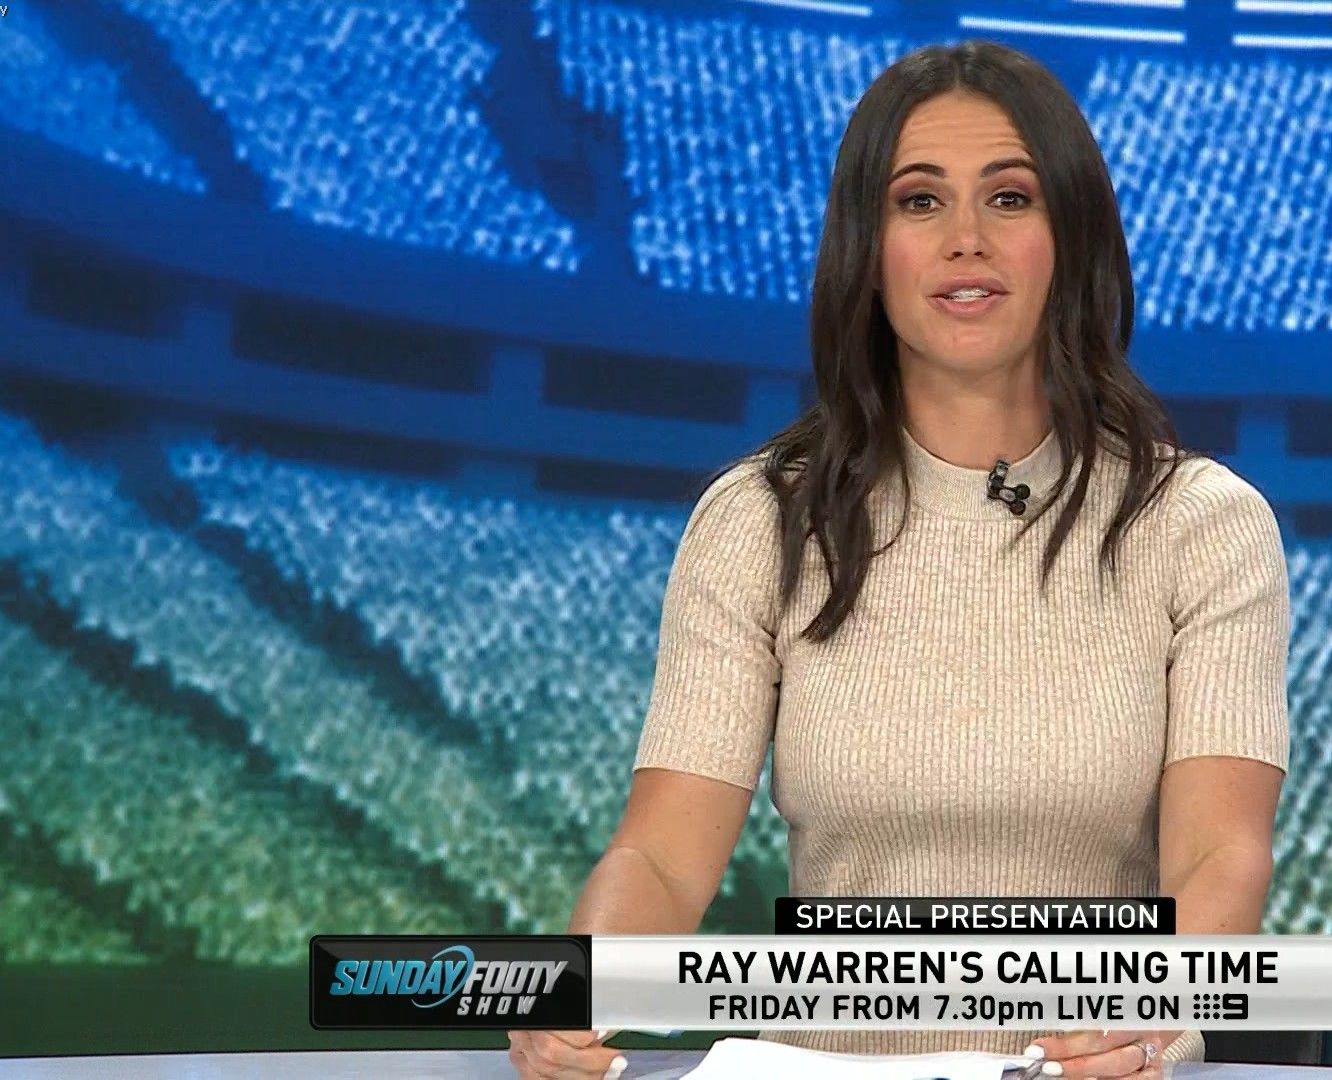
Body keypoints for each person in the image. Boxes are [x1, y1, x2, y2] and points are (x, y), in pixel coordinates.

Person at [510, 38, 1288, 1080]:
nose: (966, 240)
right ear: (866, 250)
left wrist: (1144, 1027)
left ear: (1072, 238)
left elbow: (1218, 854)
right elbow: (659, 855)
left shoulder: (1199, 525)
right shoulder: (759, 522)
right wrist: (578, 980)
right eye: (919, 202)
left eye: (1009, 199)